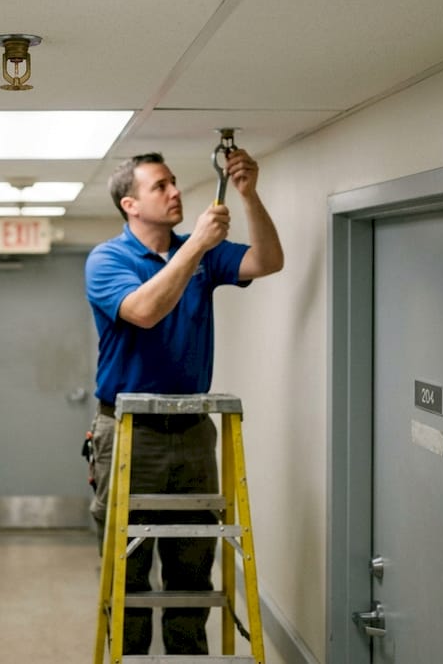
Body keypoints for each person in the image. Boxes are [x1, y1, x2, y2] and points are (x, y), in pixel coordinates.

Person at [84, 149, 283, 655]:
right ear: (130, 204)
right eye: (161, 186)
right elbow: (144, 311)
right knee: (126, 571)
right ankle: (128, 656)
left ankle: (186, 656)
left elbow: (268, 260)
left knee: (192, 562)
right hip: (128, 433)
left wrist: (249, 195)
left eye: (175, 183)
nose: (176, 192)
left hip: (193, 428)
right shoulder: (107, 259)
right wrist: (194, 245)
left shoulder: (200, 256)